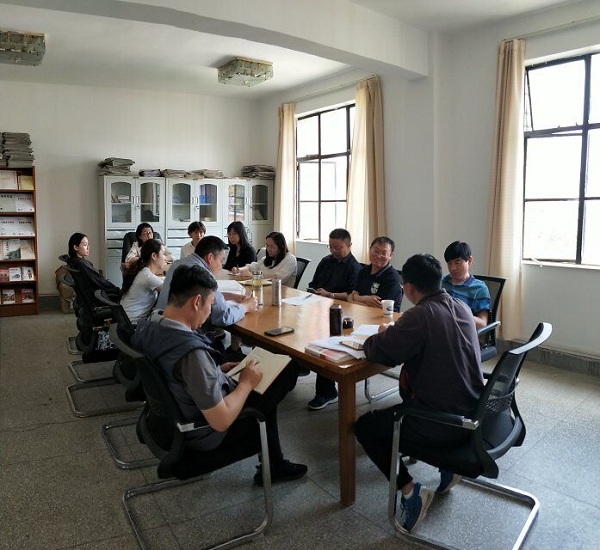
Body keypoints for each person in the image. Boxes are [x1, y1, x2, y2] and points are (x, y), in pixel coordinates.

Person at [132, 264, 307, 484]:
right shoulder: (191, 355)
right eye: (210, 304)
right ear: (197, 301)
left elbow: (179, 375)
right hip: (203, 432)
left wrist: (215, 371)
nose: (209, 313)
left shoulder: (150, 325)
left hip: (166, 422)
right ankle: (274, 466)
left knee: (262, 379)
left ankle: (274, 463)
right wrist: (245, 384)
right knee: (283, 372)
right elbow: (221, 421)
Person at [354, 254, 484, 533]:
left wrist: (379, 335)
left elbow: (379, 351)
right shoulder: (460, 306)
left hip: (440, 422)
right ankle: (447, 466)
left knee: (365, 427)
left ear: (409, 287)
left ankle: (411, 491)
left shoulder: (419, 315)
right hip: (473, 412)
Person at [307, 228, 361, 410]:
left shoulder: (354, 267)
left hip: (341, 312)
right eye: (331, 247)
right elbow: (314, 283)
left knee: (326, 342)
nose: (333, 251)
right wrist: (314, 291)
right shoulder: (325, 261)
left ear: (349, 245)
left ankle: (327, 391)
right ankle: (300, 365)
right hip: (318, 306)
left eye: (338, 248)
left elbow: (351, 295)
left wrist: (329, 294)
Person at [155, 235, 257, 326]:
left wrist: (233, 296)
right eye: (221, 260)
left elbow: (202, 293)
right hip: (179, 330)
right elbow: (223, 316)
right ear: (210, 257)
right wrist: (246, 306)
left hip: (159, 321)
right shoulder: (202, 274)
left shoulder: (179, 263)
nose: (221, 266)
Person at [441, 241, 491, 329]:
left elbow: (482, 323)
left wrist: (457, 315)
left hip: (461, 332)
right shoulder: (441, 282)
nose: (453, 268)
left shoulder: (479, 288)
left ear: (469, 261)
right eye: (449, 263)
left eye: (457, 263)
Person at [348, 236, 403, 312]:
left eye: (384, 253)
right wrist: (366, 299)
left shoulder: (392, 277)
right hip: (360, 313)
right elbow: (351, 297)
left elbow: (379, 308)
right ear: (370, 250)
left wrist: (356, 299)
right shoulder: (363, 270)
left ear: (390, 255)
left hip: (383, 317)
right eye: (376, 251)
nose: (378, 256)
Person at [120, 239, 167, 323]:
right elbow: (173, 290)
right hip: (134, 325)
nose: (165, 257)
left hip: (126, 321)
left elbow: (157, 280)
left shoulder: (142, 271)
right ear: (154, 256)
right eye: (163, 254)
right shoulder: (147, 276)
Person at [232, 231, 297, 287]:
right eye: (267, 246)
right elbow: (253, 266)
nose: (269, 249)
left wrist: (253, 276)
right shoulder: (267, 258)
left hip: (281, 292)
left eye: (272, 246)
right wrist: (239, 270)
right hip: (266, 289)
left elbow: (276, 278)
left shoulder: (290, 259)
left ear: (282, 246)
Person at [67, 232, 120, 298]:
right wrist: (117, 290)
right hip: (98, 294)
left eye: (88, 244)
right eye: (85, 245)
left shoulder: (74, 261)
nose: (88, 248)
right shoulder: (81, 264)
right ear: (76, 247)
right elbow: (99, 281)